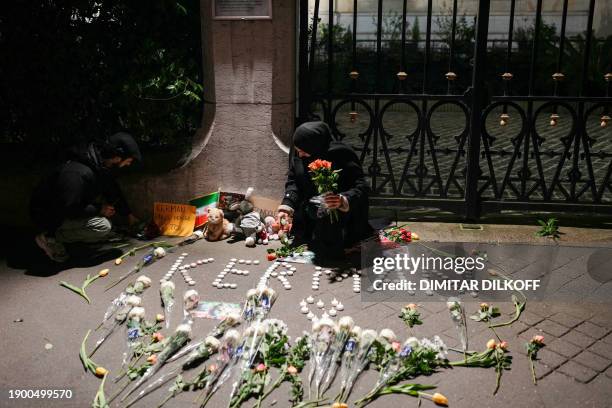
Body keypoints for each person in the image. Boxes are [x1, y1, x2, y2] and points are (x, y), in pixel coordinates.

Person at [30, 132, 142, 262]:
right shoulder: (76, 172)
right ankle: (49, 237)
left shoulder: (100, 165)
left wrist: (129, 215)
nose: (128, 164)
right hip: (48, 214)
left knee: (103, 214)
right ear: (117, 157)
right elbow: (69, 207)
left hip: (67, 207)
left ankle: (69, 234)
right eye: (129, 161)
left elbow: (111, 190)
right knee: (103, 226)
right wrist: (99, 209)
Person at [276, 121, 373, 260]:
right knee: (305, 236)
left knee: (330, 249)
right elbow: (294, 182)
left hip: (338, 211)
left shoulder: (341, 154)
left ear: (314, 146)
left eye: (303, 150)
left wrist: (342, 200)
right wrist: (287, 206)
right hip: (311, 207)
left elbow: (362, 186)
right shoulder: (299, 154)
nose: (300, 154)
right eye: (298, 150)